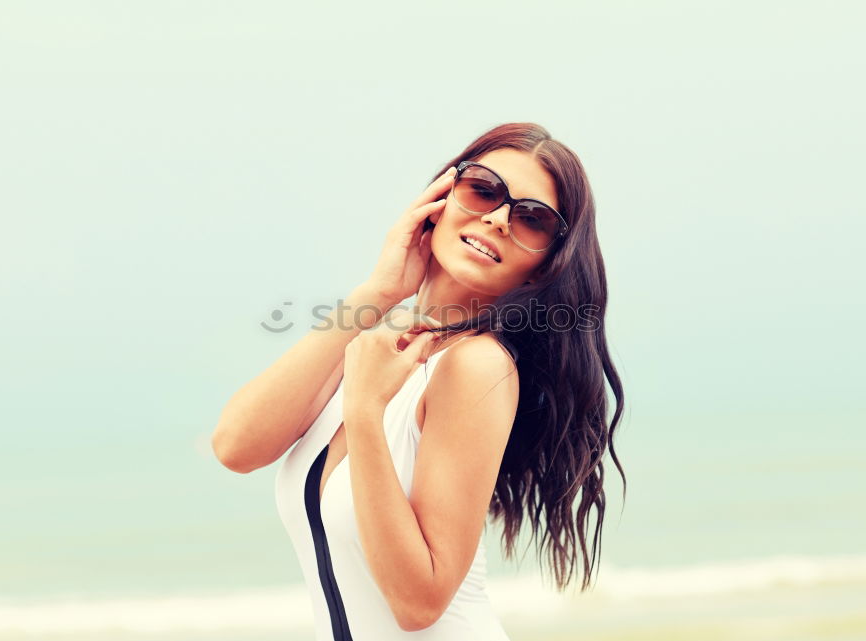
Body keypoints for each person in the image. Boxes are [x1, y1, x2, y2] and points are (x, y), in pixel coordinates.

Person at [212, 122, 627, 640]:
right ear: (440, 197)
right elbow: (236, 446)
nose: (498, 218)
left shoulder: (477, 366)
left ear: (544, 266)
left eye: (532, 219)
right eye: (483, 189)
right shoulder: (376, 346)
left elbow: (419, 602)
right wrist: (381, 291)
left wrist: (364, 411)